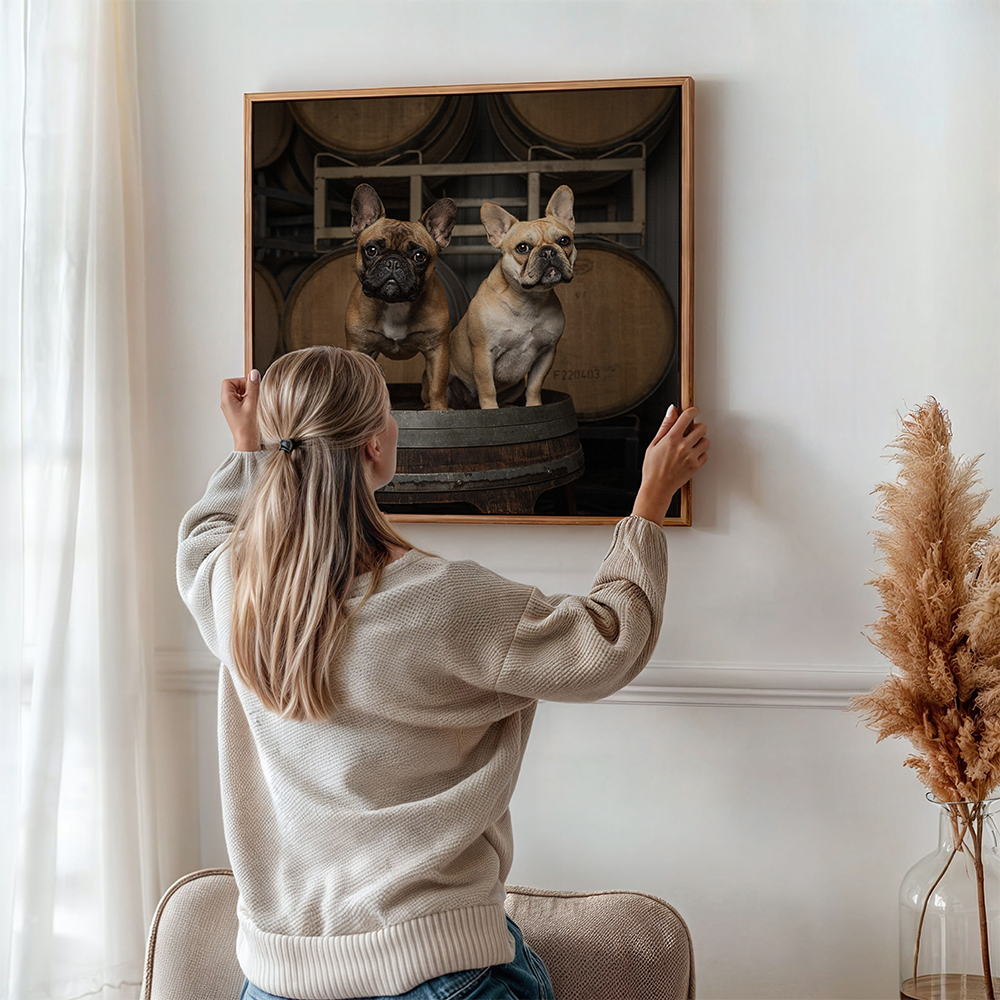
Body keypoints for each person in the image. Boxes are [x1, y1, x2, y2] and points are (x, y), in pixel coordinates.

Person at [177, 346, 709, 1000]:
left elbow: (201, 538)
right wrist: (648, 502)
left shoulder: (235, 592)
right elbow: (607, 641)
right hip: (434, 973)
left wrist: (246, 449)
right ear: (374, 447)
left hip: (275, 982)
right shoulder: (445, 601)